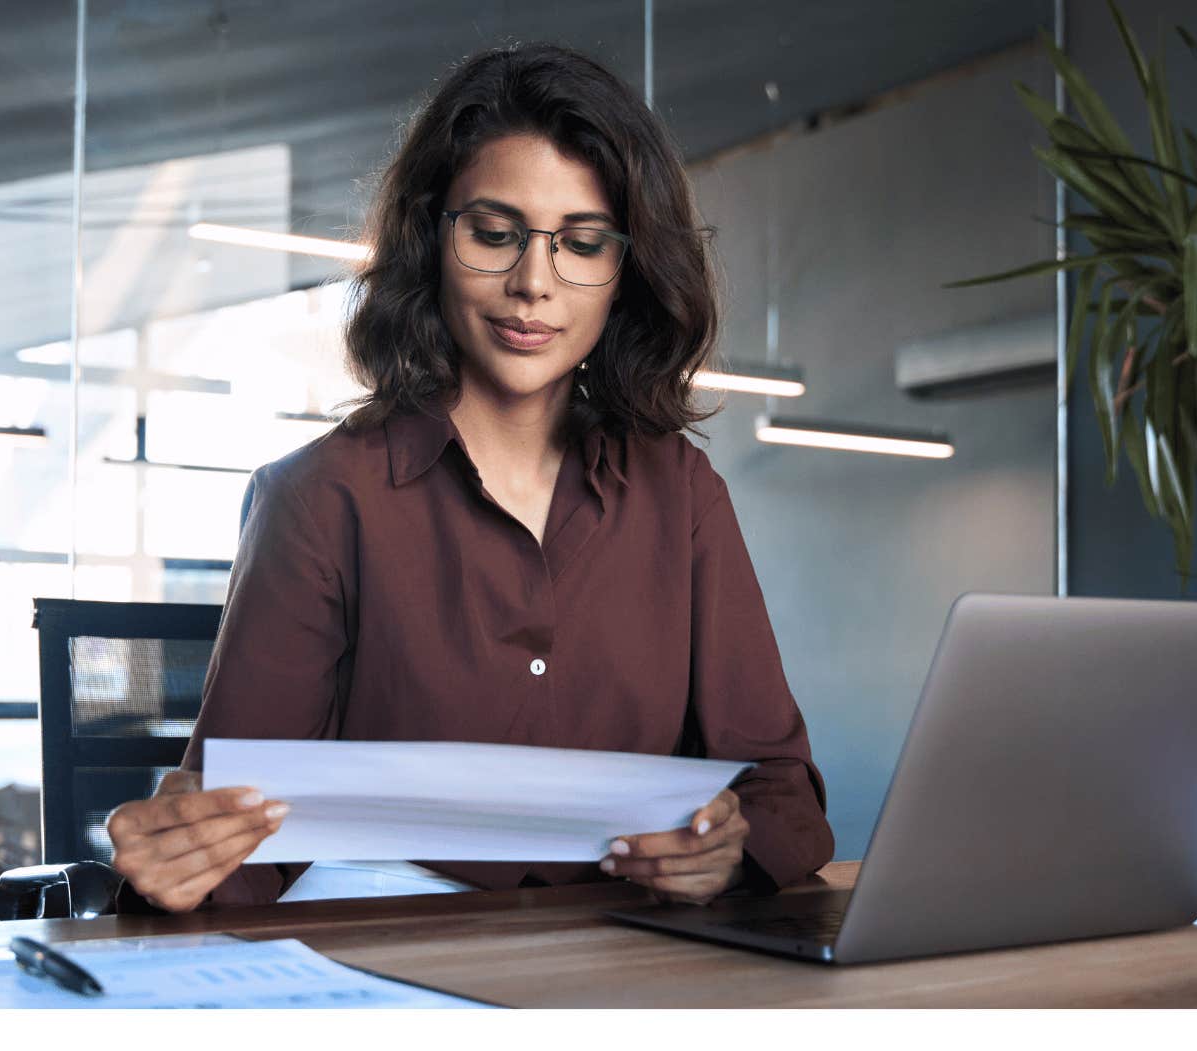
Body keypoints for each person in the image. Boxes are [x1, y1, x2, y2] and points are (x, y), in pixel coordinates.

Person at [107, 42, 833, 914]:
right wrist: (178, 861)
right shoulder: (321, 498)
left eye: (584, 243)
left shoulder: (681, 496)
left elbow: (782, 791)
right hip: (391, 959)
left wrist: (728, 849)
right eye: (494, 234)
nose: (534, 284)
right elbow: (235, 838)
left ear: (625, 272)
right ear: (431, 239)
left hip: (630, 968)